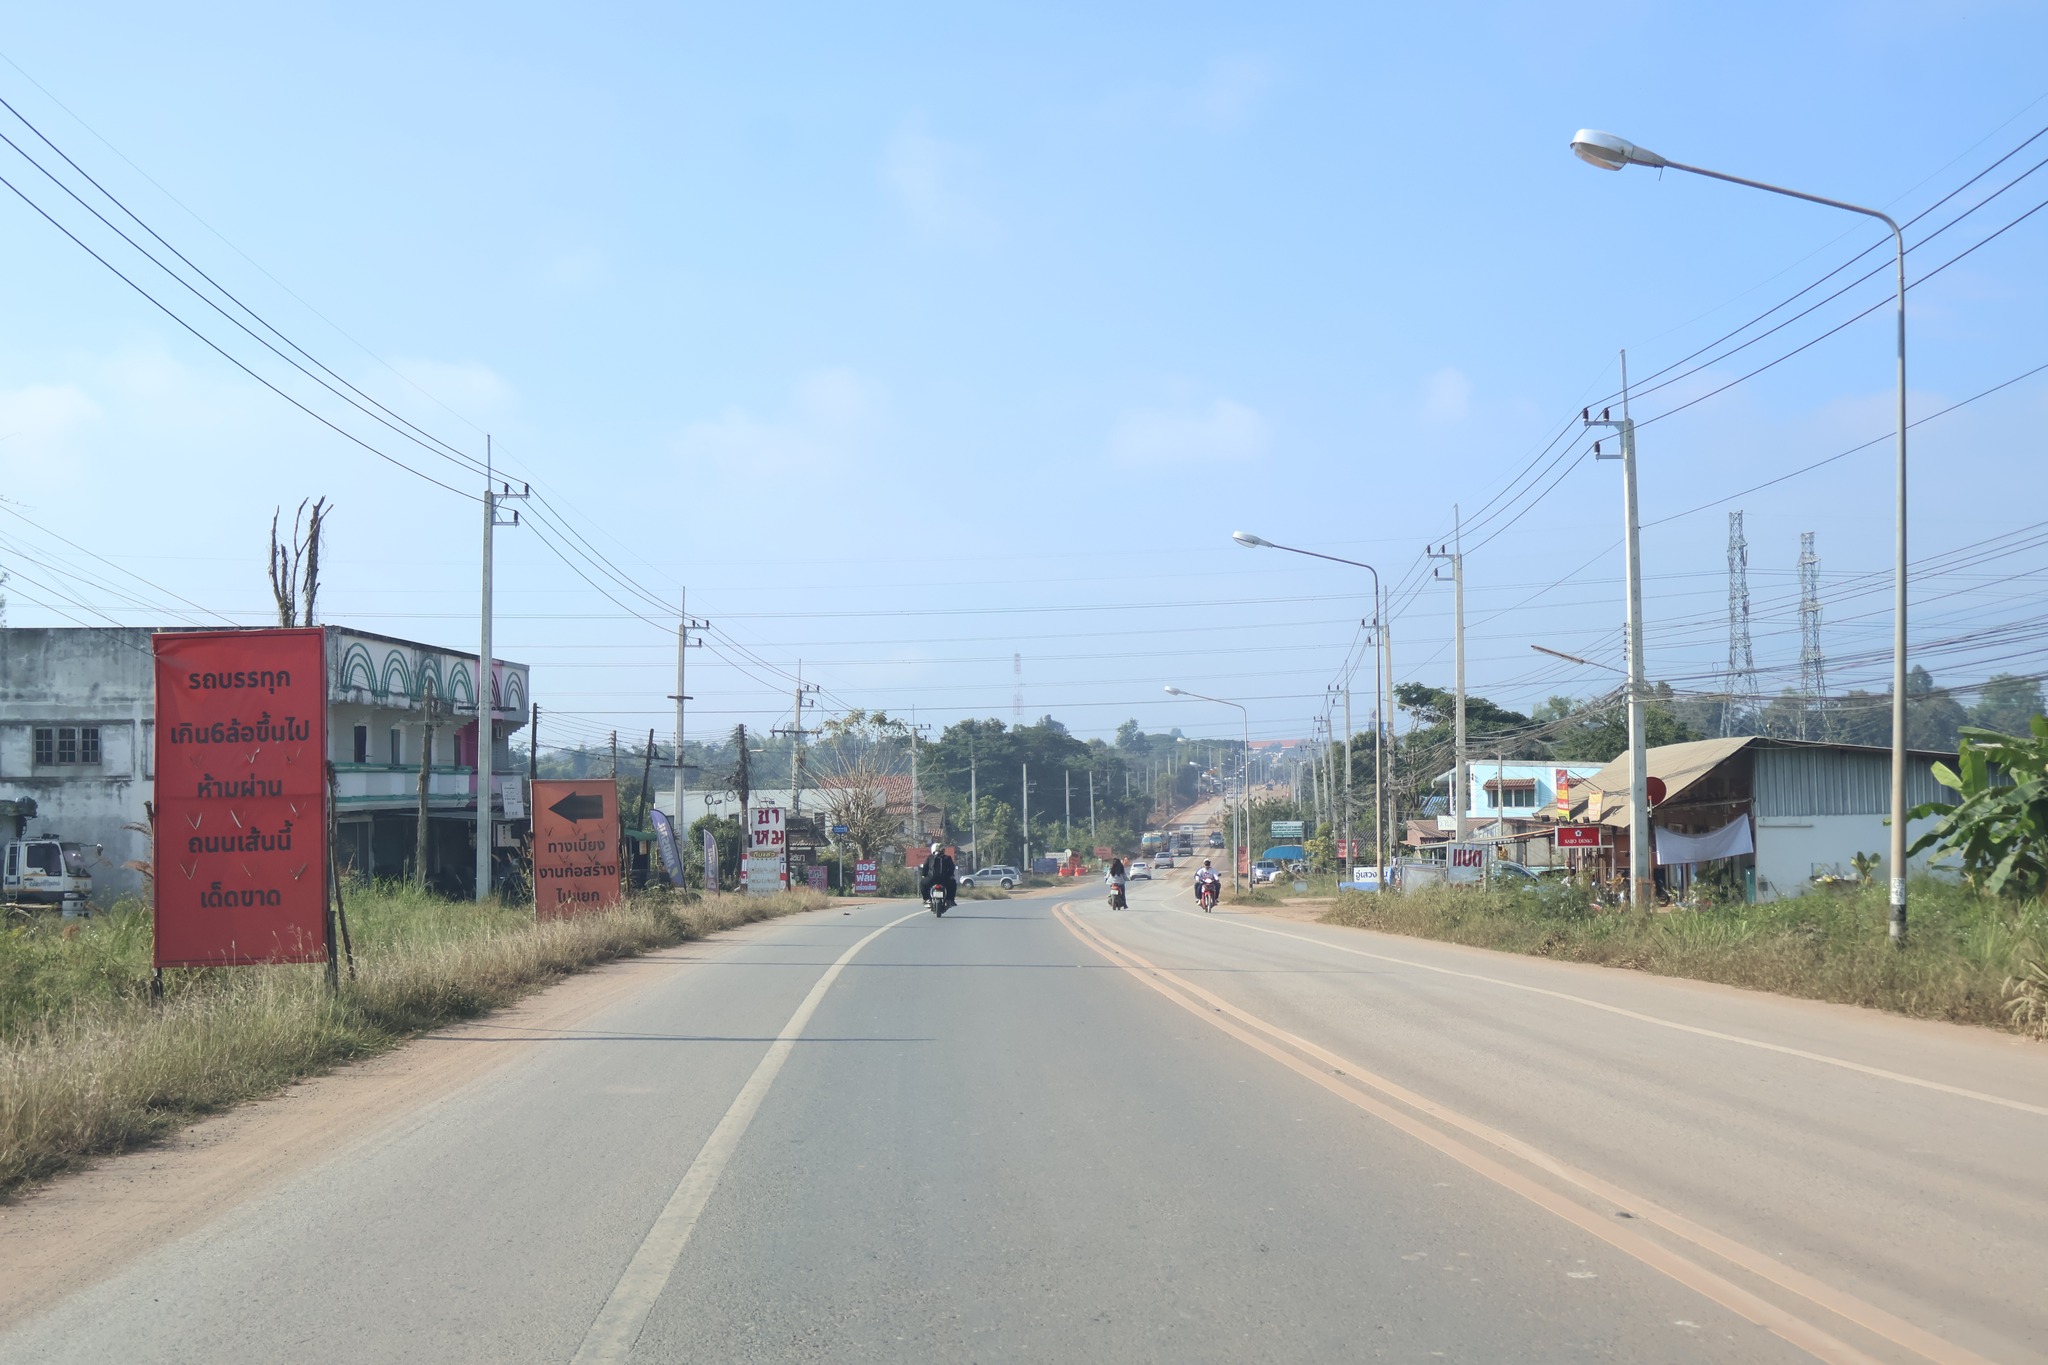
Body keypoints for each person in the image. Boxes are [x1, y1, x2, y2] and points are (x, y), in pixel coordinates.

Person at [919, 841, 957, 909]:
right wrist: (950, 875)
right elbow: (952, 868)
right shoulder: (947, 858)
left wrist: (924, 875)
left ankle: (927, 899)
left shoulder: (930, 857)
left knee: (922, 883)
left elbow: (925, 868)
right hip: (945, 880)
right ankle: (950, 900)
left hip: (931, 879)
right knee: (953, 883)